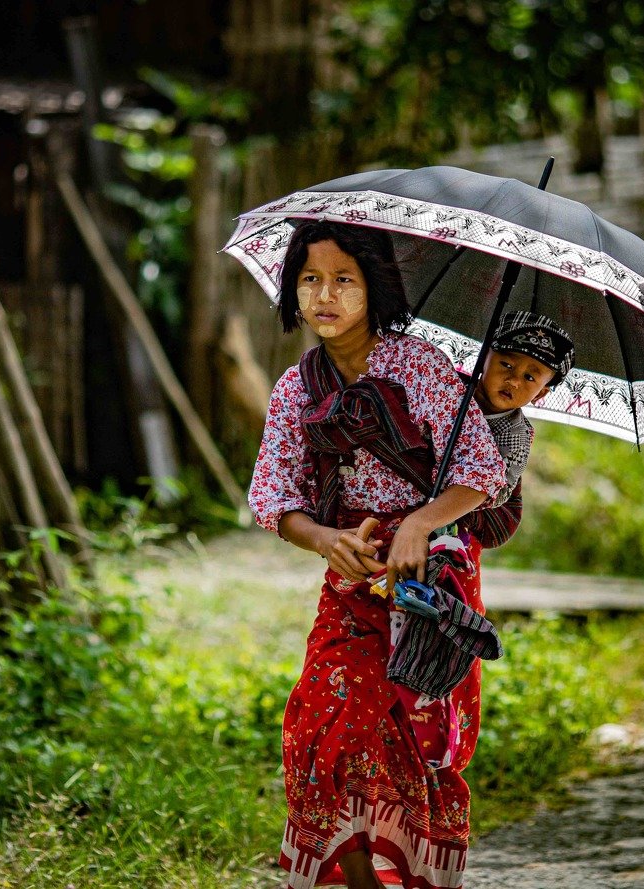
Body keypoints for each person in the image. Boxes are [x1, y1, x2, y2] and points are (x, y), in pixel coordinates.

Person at [248, 220, 507, 889]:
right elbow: (273, 498)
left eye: (343, 280)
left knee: (416, 747)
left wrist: (421, 521)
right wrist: (327, 540)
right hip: (353, 580)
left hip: (432, 581)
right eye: (310, 279)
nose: (324, 294)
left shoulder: (417, 366)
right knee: (322, 728)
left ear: (375, 289)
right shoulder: (295, 388)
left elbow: (482, 470)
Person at [471, 310, 576, 507]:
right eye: (507, 364)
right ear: (484, 356)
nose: (514, 381)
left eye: (529, 378)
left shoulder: (516, 435)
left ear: (540, 394)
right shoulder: (449, 387)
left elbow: (498, 491)